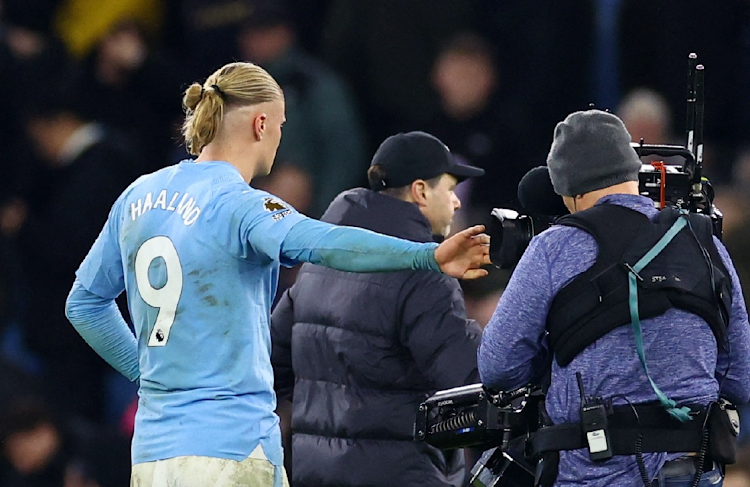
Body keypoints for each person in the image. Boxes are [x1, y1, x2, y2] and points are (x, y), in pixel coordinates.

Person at [64, 62, 491, 487]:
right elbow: (324, 243)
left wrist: (148, 375)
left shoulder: (139, 195)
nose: (281, 137)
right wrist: (426, 256)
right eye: (282, 125)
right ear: (261, 123)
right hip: (230, 450)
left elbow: (84, 303)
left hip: (154, 453)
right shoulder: (239, 205)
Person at [478, 109, 750, 486]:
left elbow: (498, 367)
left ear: (567, 188)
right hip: (692, 470)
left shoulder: (553, 247)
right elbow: (738, 380)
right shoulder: (707, 244)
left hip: (594, 471)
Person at [270, 131, 485, 486]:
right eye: (449, 189)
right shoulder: (423, 272)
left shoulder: (316, 265)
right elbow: (469, 378)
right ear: (420, 192)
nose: (457, 202)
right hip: (400, 473)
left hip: (315, 473)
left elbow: (272, 367)